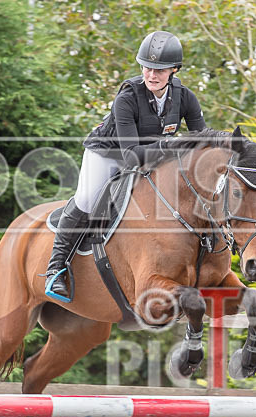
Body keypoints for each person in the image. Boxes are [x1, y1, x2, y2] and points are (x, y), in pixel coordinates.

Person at [45, 30, 207, 301]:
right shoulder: (127, 97)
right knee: (87, 200)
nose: (151, 75)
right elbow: (131, 156)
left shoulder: (185, 97)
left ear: (174, 70)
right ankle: (56, 269)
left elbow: (201, 140)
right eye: (147, 67)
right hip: (108, 154)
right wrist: (174, 147)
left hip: (151, 156)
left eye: (159, 70)